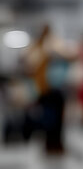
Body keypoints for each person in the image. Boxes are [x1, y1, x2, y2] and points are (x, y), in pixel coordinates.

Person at [23, 25, 75, 154]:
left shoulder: (53, 46)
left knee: (54, 119)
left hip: (53, 89)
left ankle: (55, 144)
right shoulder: (38, 49)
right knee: (50, 119)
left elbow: (70, 58)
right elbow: (29, 68)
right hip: (46, 89)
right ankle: (51, 144)